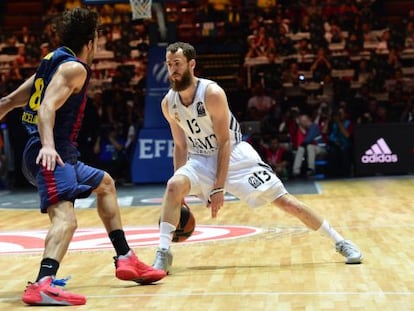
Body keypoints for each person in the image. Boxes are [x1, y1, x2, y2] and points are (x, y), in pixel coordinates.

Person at [0, 8, 166, 306]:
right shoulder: (74, 68)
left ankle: (126, 257)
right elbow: (46, 108)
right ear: (90, 42)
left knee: (105, 184)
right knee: (66, 219)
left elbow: (10, 101)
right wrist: (48, 146)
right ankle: (43, 283)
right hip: (51, 151)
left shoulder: (51, 62)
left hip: (58, 152)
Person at [152, 41, 363, 274]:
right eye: (169, 64)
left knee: (286, 202)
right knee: (173, 186)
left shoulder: (211, 93)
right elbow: (181, 146)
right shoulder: (168, 104)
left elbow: (224, 142)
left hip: (235, 157)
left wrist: (218, 188)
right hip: (201, 159)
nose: (173, 69)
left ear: (191, 64)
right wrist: (180, 195)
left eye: (178, 63)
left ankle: (340, 242)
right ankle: (163, 253)